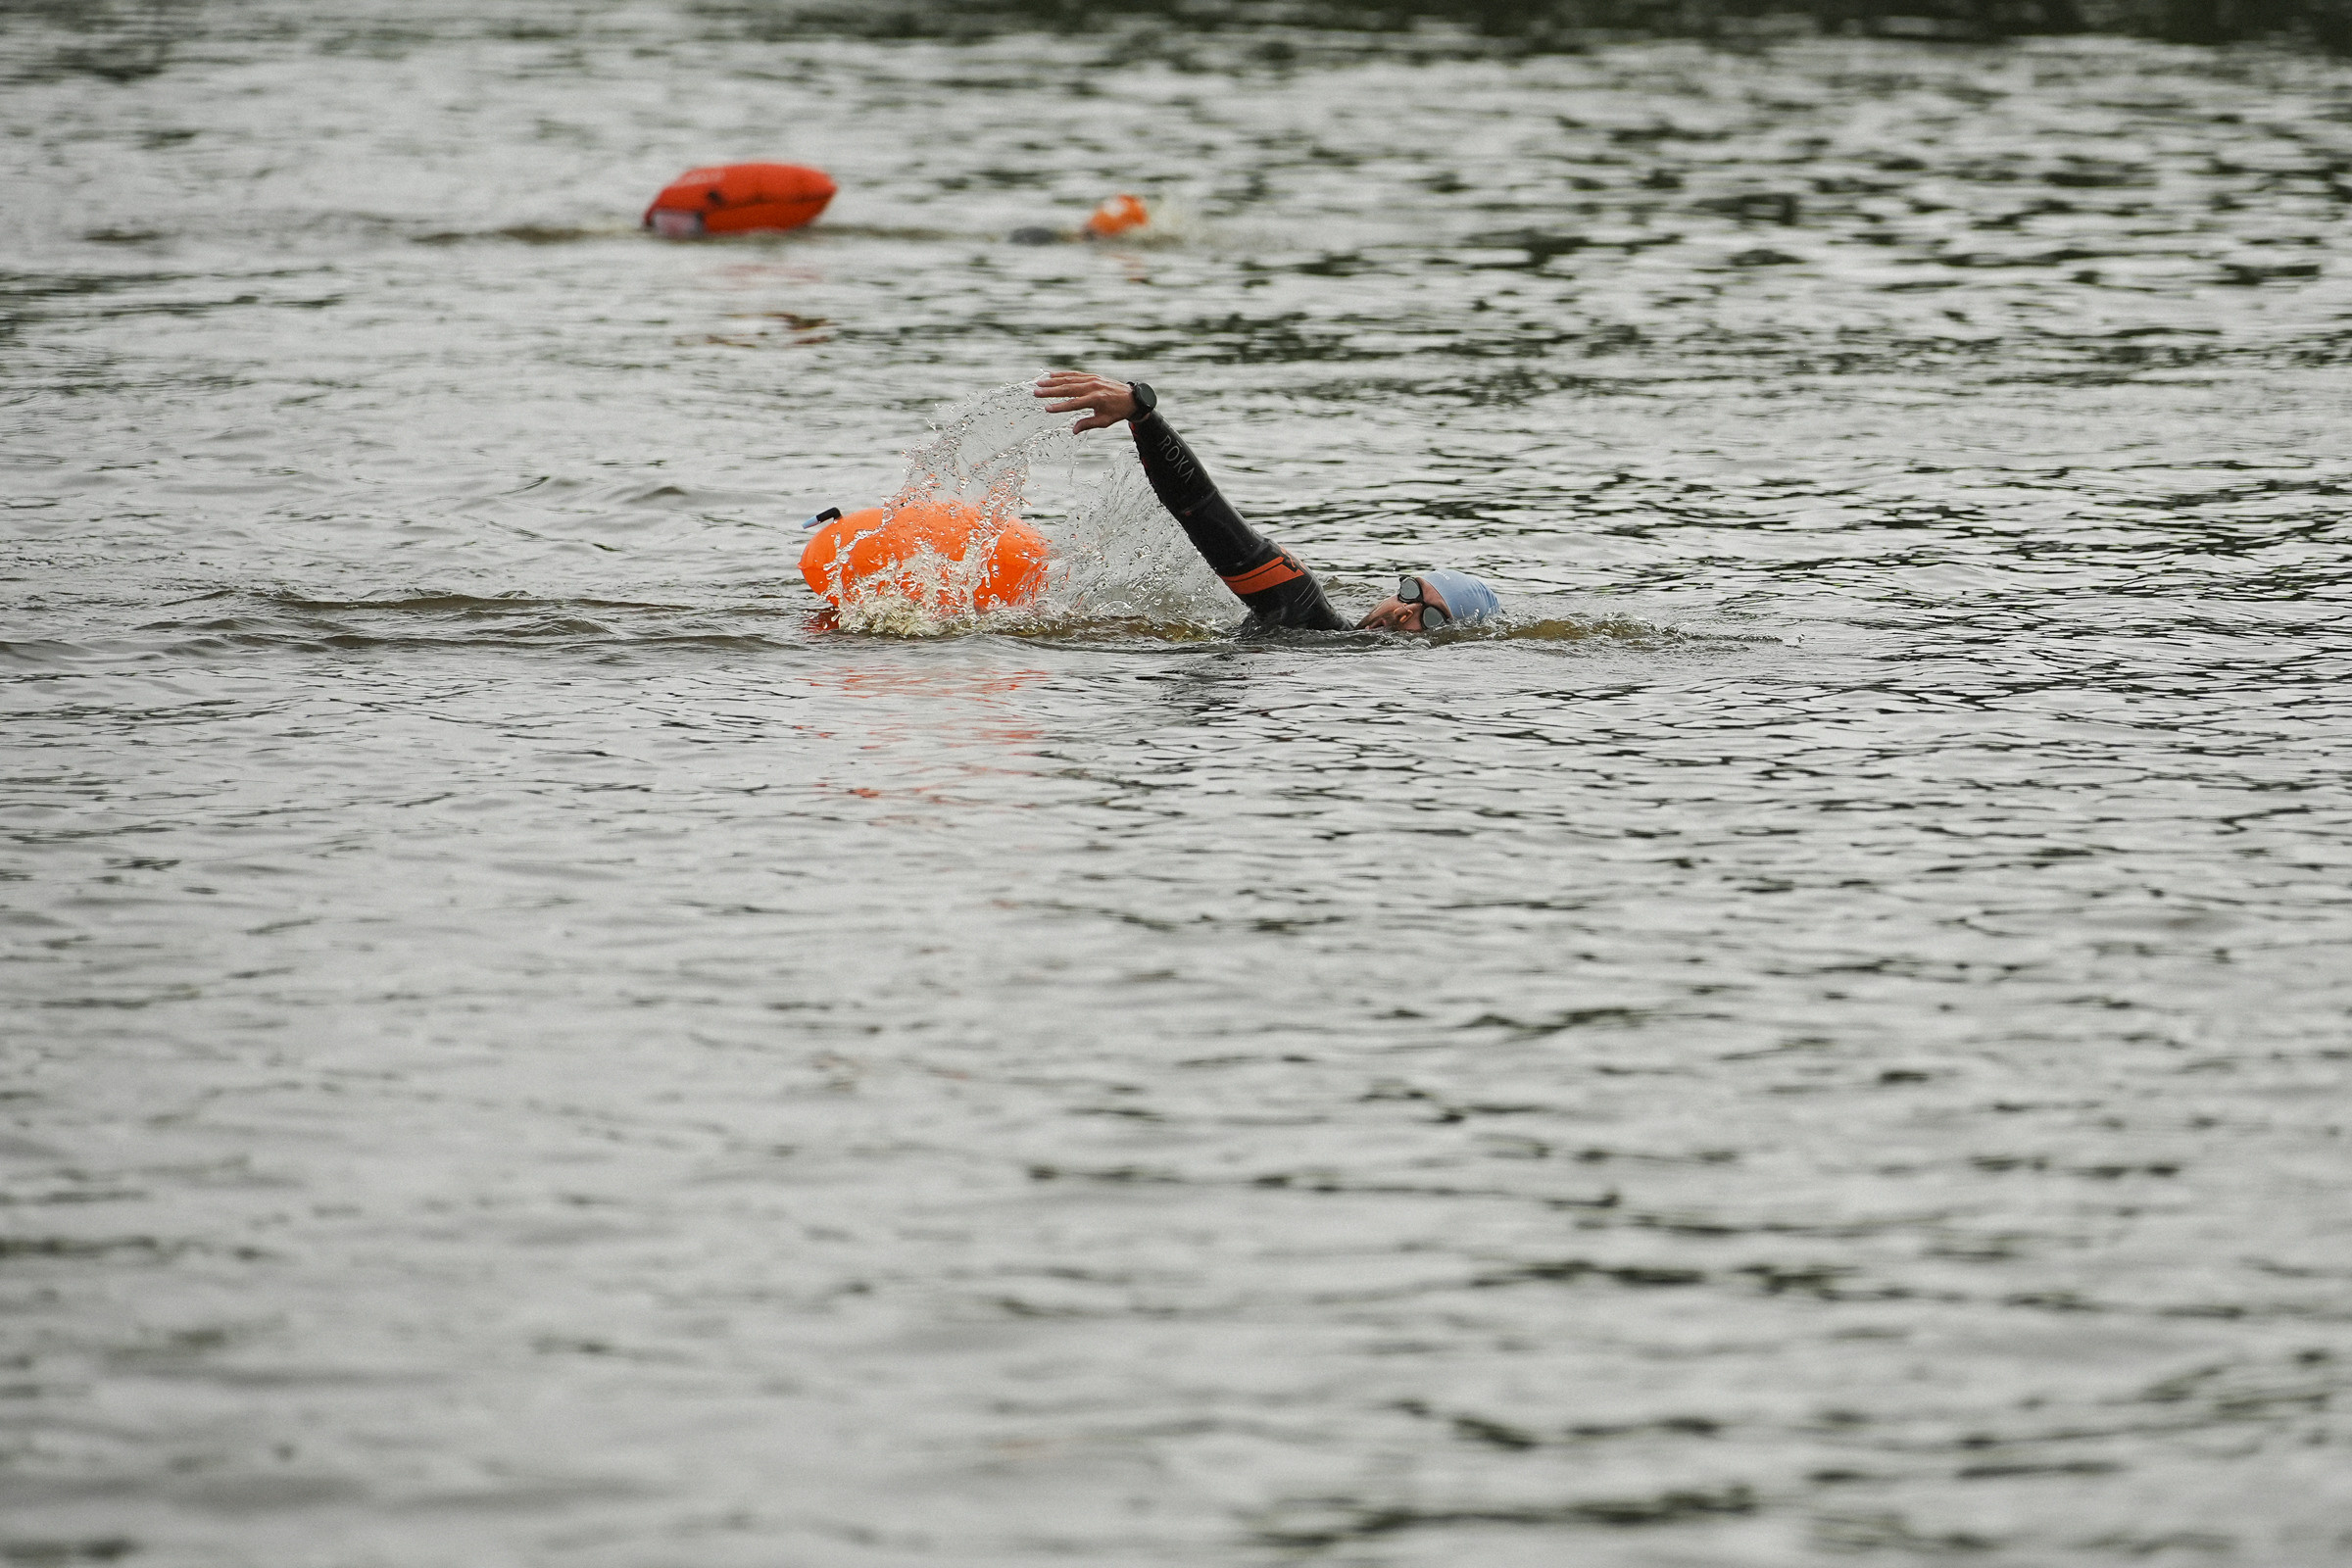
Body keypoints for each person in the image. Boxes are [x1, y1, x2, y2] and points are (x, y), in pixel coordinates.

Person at [1034, 371, 1502, 634]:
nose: (1405, 612)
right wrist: (1145, 415)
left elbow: (1204, 516)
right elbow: (1210, 514)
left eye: (1432, 617)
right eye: (1411, 592)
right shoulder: (1304, 606)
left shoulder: (1317, 633)